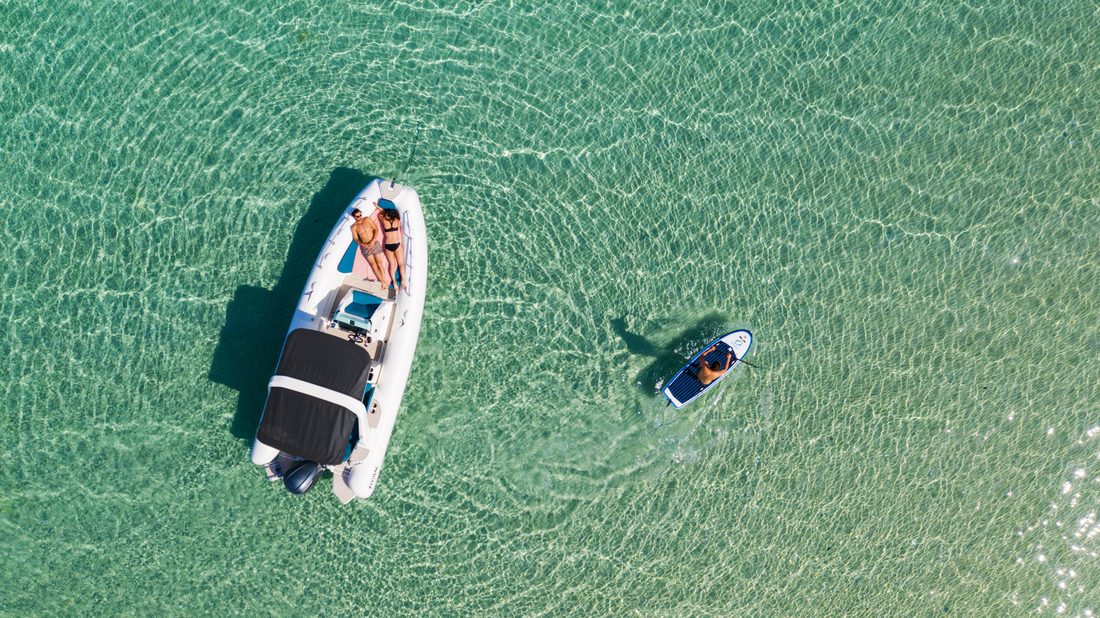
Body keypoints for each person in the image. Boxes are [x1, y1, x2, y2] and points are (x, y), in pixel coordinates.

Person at [350, 207, 388, 286]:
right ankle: (383, 282)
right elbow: (356, 239)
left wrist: (374, 240)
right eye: (357, 216)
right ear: (354, 217)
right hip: (365, 246)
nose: (360, 217)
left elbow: (376, 229)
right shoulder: (354, 227)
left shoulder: (367, 219)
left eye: (360, 215)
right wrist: (363, 245)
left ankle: (384, 280)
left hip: (374, 243)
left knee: (379, 263)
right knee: (373, 265)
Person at [378, 207, 407, 293]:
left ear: (387, 215)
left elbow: (381, 214)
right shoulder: (397, 221)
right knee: (401, 264)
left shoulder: (384, 220)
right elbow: (390, 214)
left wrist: (378, 208)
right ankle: (403, 281)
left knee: (392, 264)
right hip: (397, 244)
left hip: (388, 245)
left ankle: (394, 283)